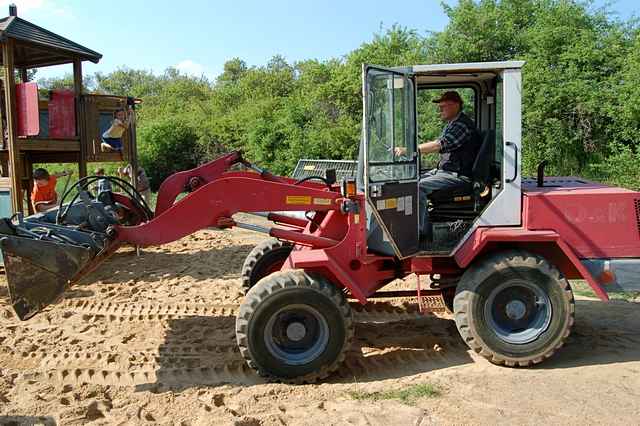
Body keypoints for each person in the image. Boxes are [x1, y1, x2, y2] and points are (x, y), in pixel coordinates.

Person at [396, 91, 480, 242]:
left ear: (455, 105)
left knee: (415, 187)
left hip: (457, 175)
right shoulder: (452, 124)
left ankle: (420, 234)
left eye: (443, 106)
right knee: (408, 181)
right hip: (446, 171)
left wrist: (409, 150)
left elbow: (439, 145)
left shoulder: (462, 125)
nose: (439, 110)